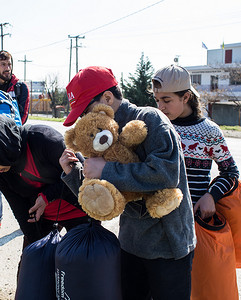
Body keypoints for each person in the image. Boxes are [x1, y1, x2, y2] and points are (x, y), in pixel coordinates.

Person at [59, 66, 195, 300]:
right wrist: (74, 174)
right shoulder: (99, 135)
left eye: (84, 111)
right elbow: (104, 197)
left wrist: (106, 169)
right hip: (131, 243)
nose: (83, 120)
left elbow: (166, 174)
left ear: (107, 98)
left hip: (167, 245)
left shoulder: (149, 120)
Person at [152, 64, 240, 297]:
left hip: (192, 225)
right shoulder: (155, 127)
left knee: (192, 286)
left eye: (166, 100)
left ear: (186, 96)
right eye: (157, 100)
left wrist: (212, 195)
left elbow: (230, 172)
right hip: (154, 224)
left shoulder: (209, 131)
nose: (160, 107)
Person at [0, 112, 91, 251]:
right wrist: (36, 246)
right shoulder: (0, 168)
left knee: (81, 263)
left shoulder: (45, 139)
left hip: (78, 212)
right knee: (33, 266)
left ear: (5, 149)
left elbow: (85, 180)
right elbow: (19, 208)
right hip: (45, 218)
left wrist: (46, 197)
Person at [0, 50, 30, 234]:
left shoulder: (21, 88)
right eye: (3, 64)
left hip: (17, 141)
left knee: (25, 182)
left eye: (9, 64)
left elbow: (24, 115)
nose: (7, 68)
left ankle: (29, 216)